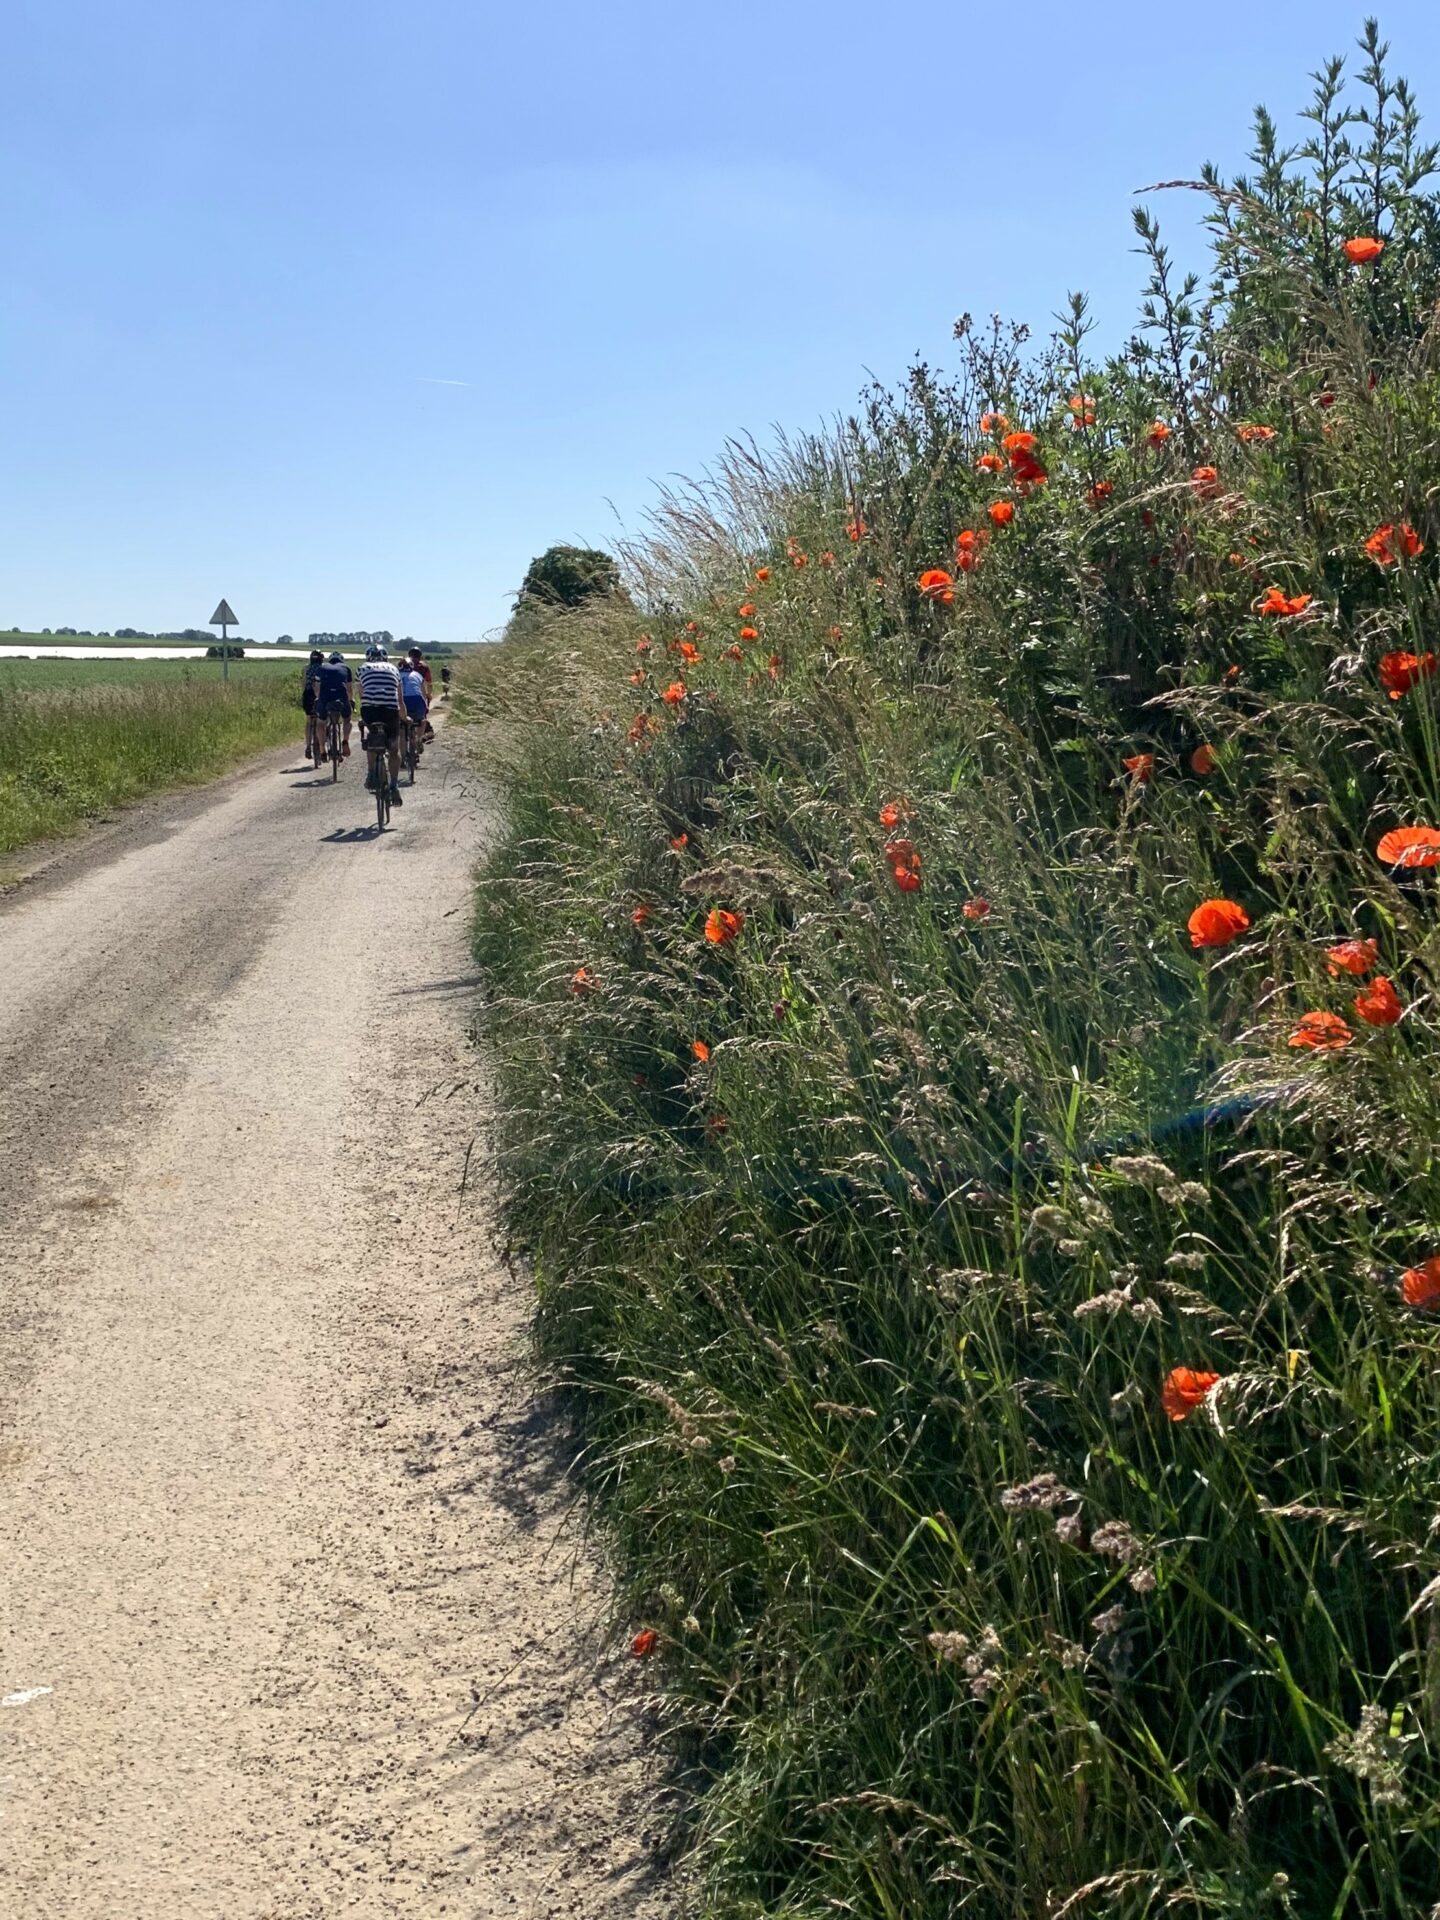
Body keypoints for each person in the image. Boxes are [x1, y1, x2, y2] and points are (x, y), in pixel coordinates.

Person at [357, 644, 404, 806]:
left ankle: (371, 774)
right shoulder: (394, 669)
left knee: (372, 739)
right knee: (394, 749)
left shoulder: (362, 668)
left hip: (370, 710)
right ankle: (394, 785)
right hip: (390, 710)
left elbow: (362, 693)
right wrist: (404, 717)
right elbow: (400, 699)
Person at [315, 649, 354, 761]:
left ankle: (322, 750)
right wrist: (351, 700)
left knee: (320, 723)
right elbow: (349, 689)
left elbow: (317, 688)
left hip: (325, 697)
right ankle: (345, 740)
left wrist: (318, 698)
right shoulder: (346, 668)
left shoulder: (321, 668)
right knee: (347, 720)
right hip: (341, 696)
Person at [399, 655, 428, 759]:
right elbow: (424, 693)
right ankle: (419, 739)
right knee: (422, 720)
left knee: (402, 729)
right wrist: (425, 706)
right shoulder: (417, 675)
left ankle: (403, 758)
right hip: (417, 700)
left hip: (402, 701)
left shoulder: (396, 674)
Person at [407, 646, 435, 741]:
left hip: (405, 693)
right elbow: (429, 682)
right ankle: (420, 736)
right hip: (420, 693)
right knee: (422, 715)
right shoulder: (424, 667)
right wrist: (429, 694)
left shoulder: (404, 665)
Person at [301, 649, 324, 760]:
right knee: (321, 720)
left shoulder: (306, 668)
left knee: (309, 720)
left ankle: (308, 746)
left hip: (308, 694)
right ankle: (322, 742)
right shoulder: (323, 668)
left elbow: (304, 684)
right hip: (320, 694)